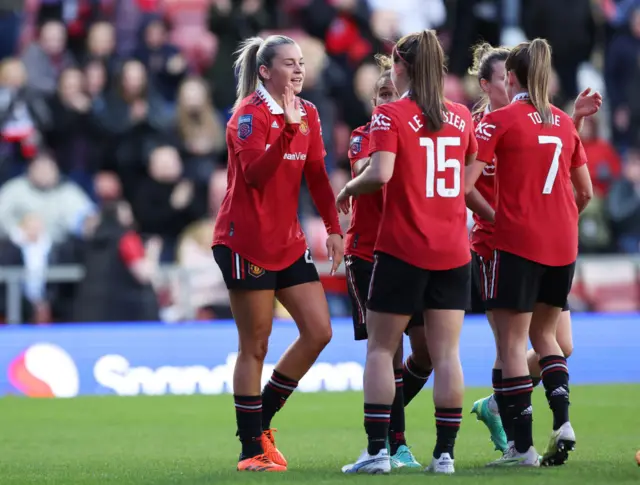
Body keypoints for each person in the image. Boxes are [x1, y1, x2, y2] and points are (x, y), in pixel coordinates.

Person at [339, 30, 477, 475]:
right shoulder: (461, 116)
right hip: (455, 250)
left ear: (399, 68)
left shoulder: (390, 116)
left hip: (402, 248)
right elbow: (468, 176)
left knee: (381, 350)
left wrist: (347, 187)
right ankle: (445, 456)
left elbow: (379, 175)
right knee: (446, 355)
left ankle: (378, 452)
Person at [462, 42, 602, 458]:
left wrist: (501, 219)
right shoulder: (558, 120)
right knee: (545, 339)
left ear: (510, 78)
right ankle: (562, 423)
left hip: (514, 242)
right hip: (557, 244)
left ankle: (520, 447)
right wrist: (559, 221)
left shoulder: (496, 124)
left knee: (513, 345)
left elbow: (464, 185)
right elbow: (585, 191)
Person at [212, 35, 344, 472]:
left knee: (319, 330)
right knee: (256, 344)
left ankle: (260, 417)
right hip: (244, 241)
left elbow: (318, 177)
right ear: (265, 71)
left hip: (287, 242)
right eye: (289, 63)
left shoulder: (308, 113)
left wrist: (333, 229)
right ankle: (251, 449)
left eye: (301, 62)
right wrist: (285, 127)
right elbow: (254, 175)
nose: (299, 70)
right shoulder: (247, 117)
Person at [344, 54, 431, 470]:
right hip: (367, 253)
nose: (385, 101)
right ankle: (392, 442)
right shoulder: (363, 136)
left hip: (410, 252)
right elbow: (366, 171)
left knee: (428, 352)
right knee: (388, 351)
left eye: (392, 94)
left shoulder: (417, 135)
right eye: (380, 95)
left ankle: (386, 413)